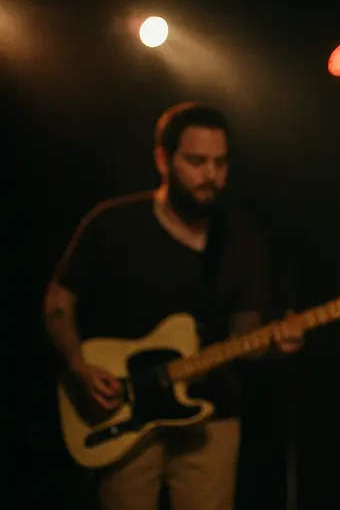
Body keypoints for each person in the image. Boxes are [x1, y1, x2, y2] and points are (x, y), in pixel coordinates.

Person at [42, 102, 304, 510]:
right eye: (197, 161)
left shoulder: (242, 239)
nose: (211, 175)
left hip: (213, 415)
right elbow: (59, 301)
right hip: (122, 411)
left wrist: (271, 343)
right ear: (162, 158)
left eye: (220, 163)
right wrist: (79, 366)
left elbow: (244, 330)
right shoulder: (112, 224)